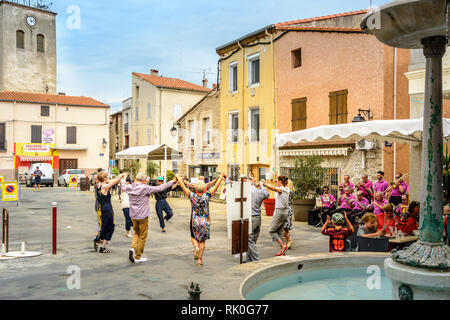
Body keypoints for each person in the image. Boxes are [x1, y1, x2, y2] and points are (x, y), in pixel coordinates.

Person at [121, 172, 176, 264]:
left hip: (133, 215)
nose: (146, 181)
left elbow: (123, 186)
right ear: (142, 180)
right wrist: (173, 181)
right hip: (143, 215)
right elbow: (160, 188)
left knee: (136, 233)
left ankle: (133, 248)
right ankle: (138, 256)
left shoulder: (130, 187)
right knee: (143, 236)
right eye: (145, 179)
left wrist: (123, 178)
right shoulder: (144, 188)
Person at [175, 173, 225, 267]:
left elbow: (182, 186)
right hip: (205, 221)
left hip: (195, 220)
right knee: (202, 241)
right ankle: (200, 261)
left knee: (194, 237)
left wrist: (178, 177)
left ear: (196, 189)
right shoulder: (207, 196)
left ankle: (196, 247)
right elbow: (216, 186)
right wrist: (221, 176)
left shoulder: (192, 196)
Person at [95, 172, 125, 253]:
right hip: (107, 208)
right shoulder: (104, 187)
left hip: (103, 208)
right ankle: (101, 244)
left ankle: (100, 242)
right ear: (104, 178)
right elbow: (114, 182)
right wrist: (121, 177)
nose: (108, 178)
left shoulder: (99, 185)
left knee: (105, 226)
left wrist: (119, 176)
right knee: (110, 227)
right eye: (107, 177)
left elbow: (113, 180)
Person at [262, 176, 291, 257]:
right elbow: (277, 186)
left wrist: (265, 184)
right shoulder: (287, 189)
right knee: (280, 232)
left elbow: (275, 189)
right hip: (285, 212)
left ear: (280, 181)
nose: (276, 182)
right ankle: (282, 251)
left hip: (279, 211)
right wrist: (272, 182)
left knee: (271, 231)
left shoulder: (281, 189)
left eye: (277, 181)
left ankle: (283, 246)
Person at [247, 177, 270, 262]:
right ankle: (249, 259)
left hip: (250, 218)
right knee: (253, 241)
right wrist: (261, 185)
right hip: (258, 218)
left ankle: (257, 259)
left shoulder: (246, 191)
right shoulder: (259, 191)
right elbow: (267, 194)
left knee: (249, 240)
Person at [283, 179, 295, 250]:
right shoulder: (292, 191)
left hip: (286, 209)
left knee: (283, 227)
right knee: (286, 227)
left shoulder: (287, 191)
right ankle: (287, 241)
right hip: (289, 209)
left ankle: (288, 240)